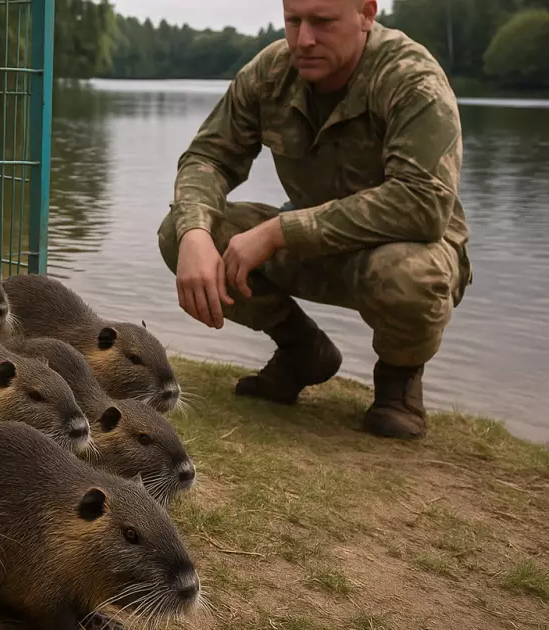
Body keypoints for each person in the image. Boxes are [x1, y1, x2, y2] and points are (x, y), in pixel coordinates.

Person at [157, 0, 471, 440]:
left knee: (410, 274)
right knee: (180, 230)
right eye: (294, 21)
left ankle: (399, 384)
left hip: (405, 251)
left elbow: (423, 204)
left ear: (366, 14)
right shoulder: (272, 71)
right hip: (313, 248)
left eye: (323, 22)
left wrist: (278, 231)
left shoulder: (411, 78)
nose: (304, 39)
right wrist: (193, 233)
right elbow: (208, 156)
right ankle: (302, 349)